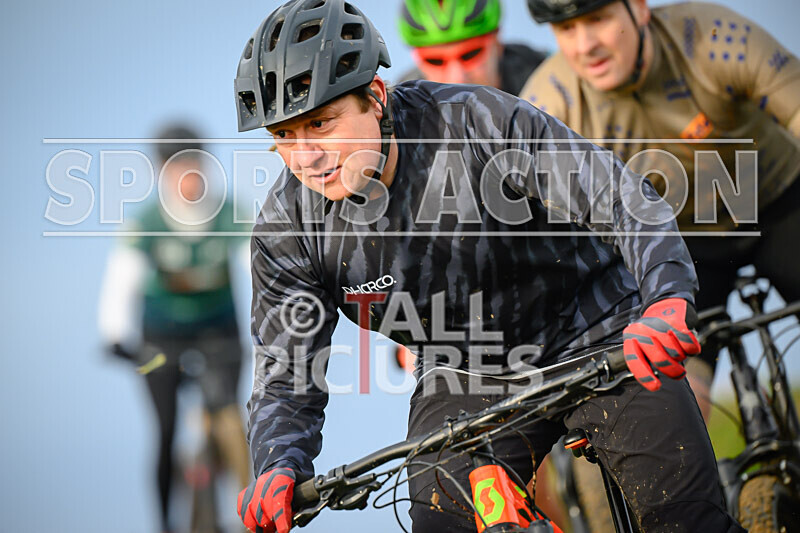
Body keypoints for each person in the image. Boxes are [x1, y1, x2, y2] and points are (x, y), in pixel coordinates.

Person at [233, 1, 743, 532]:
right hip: (463, 372)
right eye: (284, 137)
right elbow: (284, 369)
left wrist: (665, 299)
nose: (306, 157)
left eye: (322, 123)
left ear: (376, 98)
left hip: (596, 327)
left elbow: (620, 197)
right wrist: (277, 463)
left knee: (688, 523)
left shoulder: (474, 120)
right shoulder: (286, 230)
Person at [520, 0, 800, 421]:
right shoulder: (549, 102)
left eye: (598, 19)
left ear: (638, 8)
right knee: (673, 397)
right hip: (679, 247)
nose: (585, 45)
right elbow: (519, 236)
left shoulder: (713, 38)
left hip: (780, 204)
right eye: (566, 29)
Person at [98, 125, 252, 533]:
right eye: (177, 167)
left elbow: (258, 269)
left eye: (195, 165)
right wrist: (115, 335)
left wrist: (274, 321)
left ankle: (252, 512)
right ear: (161, 171)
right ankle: (165, 524)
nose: (188, 177)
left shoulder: (230, 215)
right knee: (165, 429)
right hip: (159, 342)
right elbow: (121, 282)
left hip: (218, 332)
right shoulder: (146, 223)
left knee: (228, 416)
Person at [396, 0, 548, 96]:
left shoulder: (548, 78)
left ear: (497, 43)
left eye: (470, 54)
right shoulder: (400, 107)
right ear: (416, 58)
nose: (457, 78)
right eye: (436, 61)